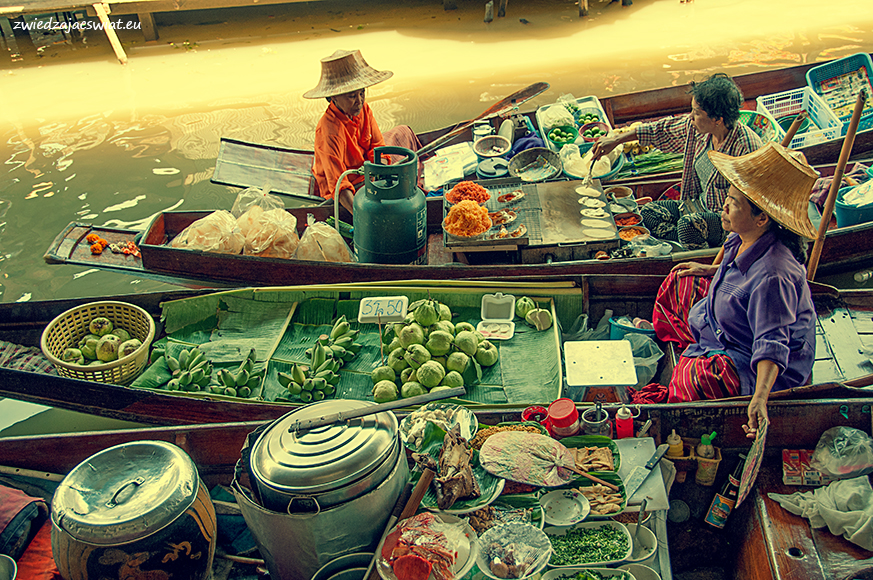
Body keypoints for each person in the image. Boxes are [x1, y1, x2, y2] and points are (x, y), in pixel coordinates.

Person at [653, 142, 818, 439]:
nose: (724, 207)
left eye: (734, 203)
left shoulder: (773, 276)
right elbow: (734, 270)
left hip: (752, 355)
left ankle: (702, 359)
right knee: (680, 281)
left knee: (694, 381)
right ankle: (699, 347)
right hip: (729, 324)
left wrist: (759, 398)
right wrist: (709, 270)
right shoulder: (742, 235)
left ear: (762, 218)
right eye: (727, 198)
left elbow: (772, 341)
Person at [591, 73, 763, 249]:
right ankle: (682, 244)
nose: (690, 117)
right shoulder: (697, 129)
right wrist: (616, 140)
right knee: (649, 212)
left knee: (687, 226)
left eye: (696, 113)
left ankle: (699, 255)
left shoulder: (746, 148)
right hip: (696, 205)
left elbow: (754, 210)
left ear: (717, 119)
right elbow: (661, 130)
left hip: (727, 222)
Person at [304, 49, 421, 216]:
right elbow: (340, 185)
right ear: (334, 97)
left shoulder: (363, 109)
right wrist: (362, 217)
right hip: (352, 186)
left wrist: (384, 176)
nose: (359, 101)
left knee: (402, 132)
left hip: (370, 174)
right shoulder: (329, 131)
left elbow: (378, 147)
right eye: (351, 96)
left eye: (362, 93)